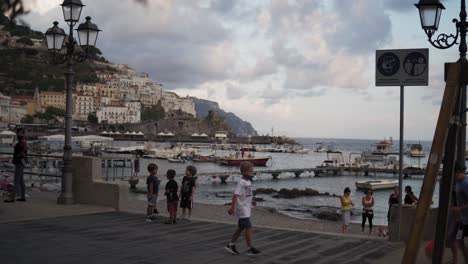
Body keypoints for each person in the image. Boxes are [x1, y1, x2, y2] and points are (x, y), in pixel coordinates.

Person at [224, 161, 261, 256]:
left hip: (247, 207)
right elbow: (235, 195)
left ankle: (230, 244)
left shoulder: (248, 181)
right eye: (250, 171)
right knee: (248, 227)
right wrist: (232, 208)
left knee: (241, 228)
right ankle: (250, 248)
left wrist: (251, 201)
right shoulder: (241, 182)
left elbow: (247, 194)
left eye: (252, 171)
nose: (252, 173)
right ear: (244, 172)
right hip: (242, 209)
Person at [5, 128, 27, 203]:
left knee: (16, 181)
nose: (19, 134)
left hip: (19, 162)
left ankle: (12, 198)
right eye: (18, 133)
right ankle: (23, 197)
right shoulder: (20, 141)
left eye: (21, 133)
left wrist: (18, 156)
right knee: (21, 181)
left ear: (23, 134)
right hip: (20, 162)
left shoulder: (22, 141)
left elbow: (24, 150)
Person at [452, 163, 468, 261]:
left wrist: (459, 209)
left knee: (461, 240)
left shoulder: (466, 183)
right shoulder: (458, 182)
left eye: (453, 174)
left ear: (457, 172)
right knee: (459, 239)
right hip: (463, 220)